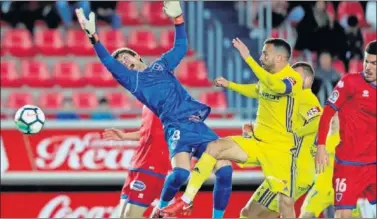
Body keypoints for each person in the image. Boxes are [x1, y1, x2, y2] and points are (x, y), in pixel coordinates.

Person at [74, 2, 233, 218]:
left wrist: (178, 20)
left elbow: (180, 48)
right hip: (158, 153)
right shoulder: (134, 82)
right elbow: (107, 62)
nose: (122, 61)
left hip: (193, 125)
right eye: (119, 61)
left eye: (126, 56)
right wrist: (94, 38)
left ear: (138, 57)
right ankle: (163, 208)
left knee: (225, 169)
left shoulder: (161, 66)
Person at [162, 38, 304, 218]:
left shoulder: (293, 78)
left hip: (281, 151)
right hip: (257, 143)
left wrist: (248, 58)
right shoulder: (267, 78)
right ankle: (186, 200)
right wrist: (230, 85)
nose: (261, 57)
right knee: (214, 147)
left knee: (285, 203)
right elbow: (257, 90)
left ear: (279, 58)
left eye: (265, 54)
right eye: (261, 54)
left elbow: (276, 86)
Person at [238, 62, 321, 218]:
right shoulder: (291, 103)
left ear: (308, 81)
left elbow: (318, 121)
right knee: (260, 216)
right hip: (297, 173)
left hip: (292, 173)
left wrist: (295, 133)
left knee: (249, 214)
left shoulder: (304, 97)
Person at [316, 40, 376, 218]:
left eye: (374, 63)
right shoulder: (350, 82)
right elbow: (327, 113)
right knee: (343, 215)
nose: (368, 67)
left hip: (374, 164)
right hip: (349, 163)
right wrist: (321, 146)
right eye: (366, 61)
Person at [102, 106, 170, 218]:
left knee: (130, 216)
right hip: (136, 166)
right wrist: (124, 136)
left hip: (152, 167)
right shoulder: (147, 105)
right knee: (124, 216)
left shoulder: (169, 103)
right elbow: (147, 133)